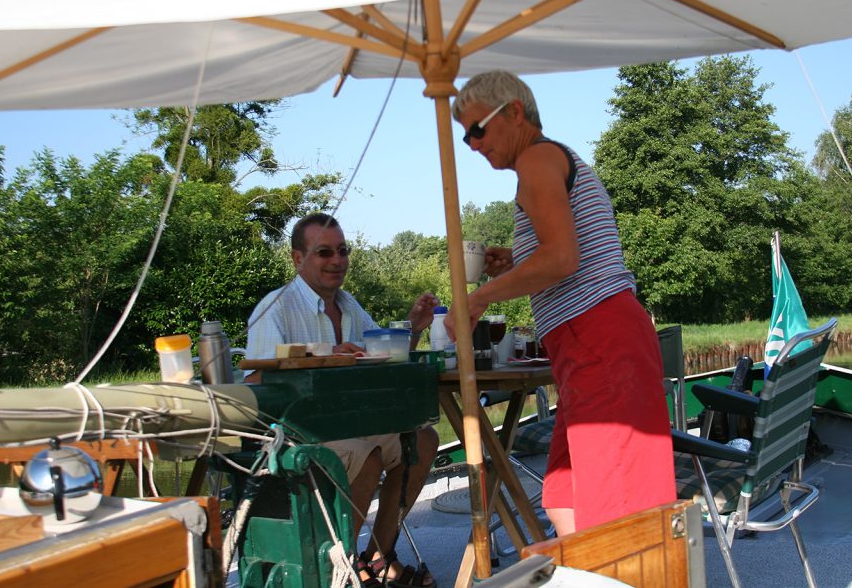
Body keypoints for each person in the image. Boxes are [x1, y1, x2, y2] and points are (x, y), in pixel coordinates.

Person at [447, 70, 676, 535]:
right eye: (464, 136)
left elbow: (563, 258)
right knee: (565, 499)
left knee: (619, 510)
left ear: (514, 112)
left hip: (599, 339)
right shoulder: (552, 159)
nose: (471, 144)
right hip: (591, 342)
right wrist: (514, 262)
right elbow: (568, 250)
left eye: (477, 129)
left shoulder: (535, 160)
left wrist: (478, 299)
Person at [247, 212, 439, 588]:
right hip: (294, 433)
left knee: (424, 440)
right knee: (366, 456)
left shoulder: (349, 305)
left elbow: (379, 360)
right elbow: (256, 381)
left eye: (342, 250)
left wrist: (413, 329)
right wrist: (326, 355)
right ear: (297, 258)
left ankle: (380, 557)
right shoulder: (276, 308)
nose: (336, 261)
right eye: (323, 253)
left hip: (348, 425)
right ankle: (341, 572)